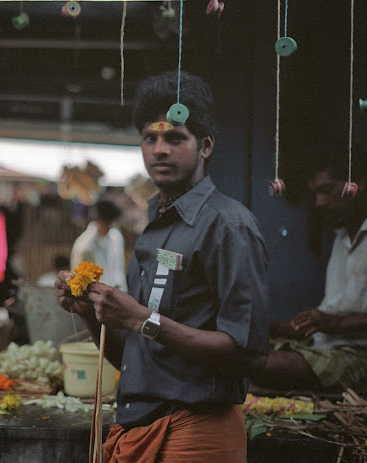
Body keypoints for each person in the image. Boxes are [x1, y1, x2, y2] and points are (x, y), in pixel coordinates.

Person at [55, 71, 269, 462]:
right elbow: (136, 359)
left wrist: (141, 319)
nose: (159, 150)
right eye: (150, 138)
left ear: (204, 146)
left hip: (196, 432)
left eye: (175, 138)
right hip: (138, 426)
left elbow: (246, 353)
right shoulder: (154, 227)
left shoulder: (228, 224)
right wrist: (90, 312)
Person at [250, 142, 367, 395]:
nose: (320, 202)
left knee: (261, 366)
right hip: (325, 346)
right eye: (316, 193)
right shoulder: (342, 235)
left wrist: (337, 323)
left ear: (359, 182)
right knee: (245, 350)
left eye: (326, 190)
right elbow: (330, 316)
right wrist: (280, 328)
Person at [70, 198, 128, 290]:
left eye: (111, 222)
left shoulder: (116, 237)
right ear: (97, 220)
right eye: (107, 223)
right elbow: (81, 282)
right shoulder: (84, 247)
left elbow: (119, 270)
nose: (110, 226)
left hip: (118, 294)